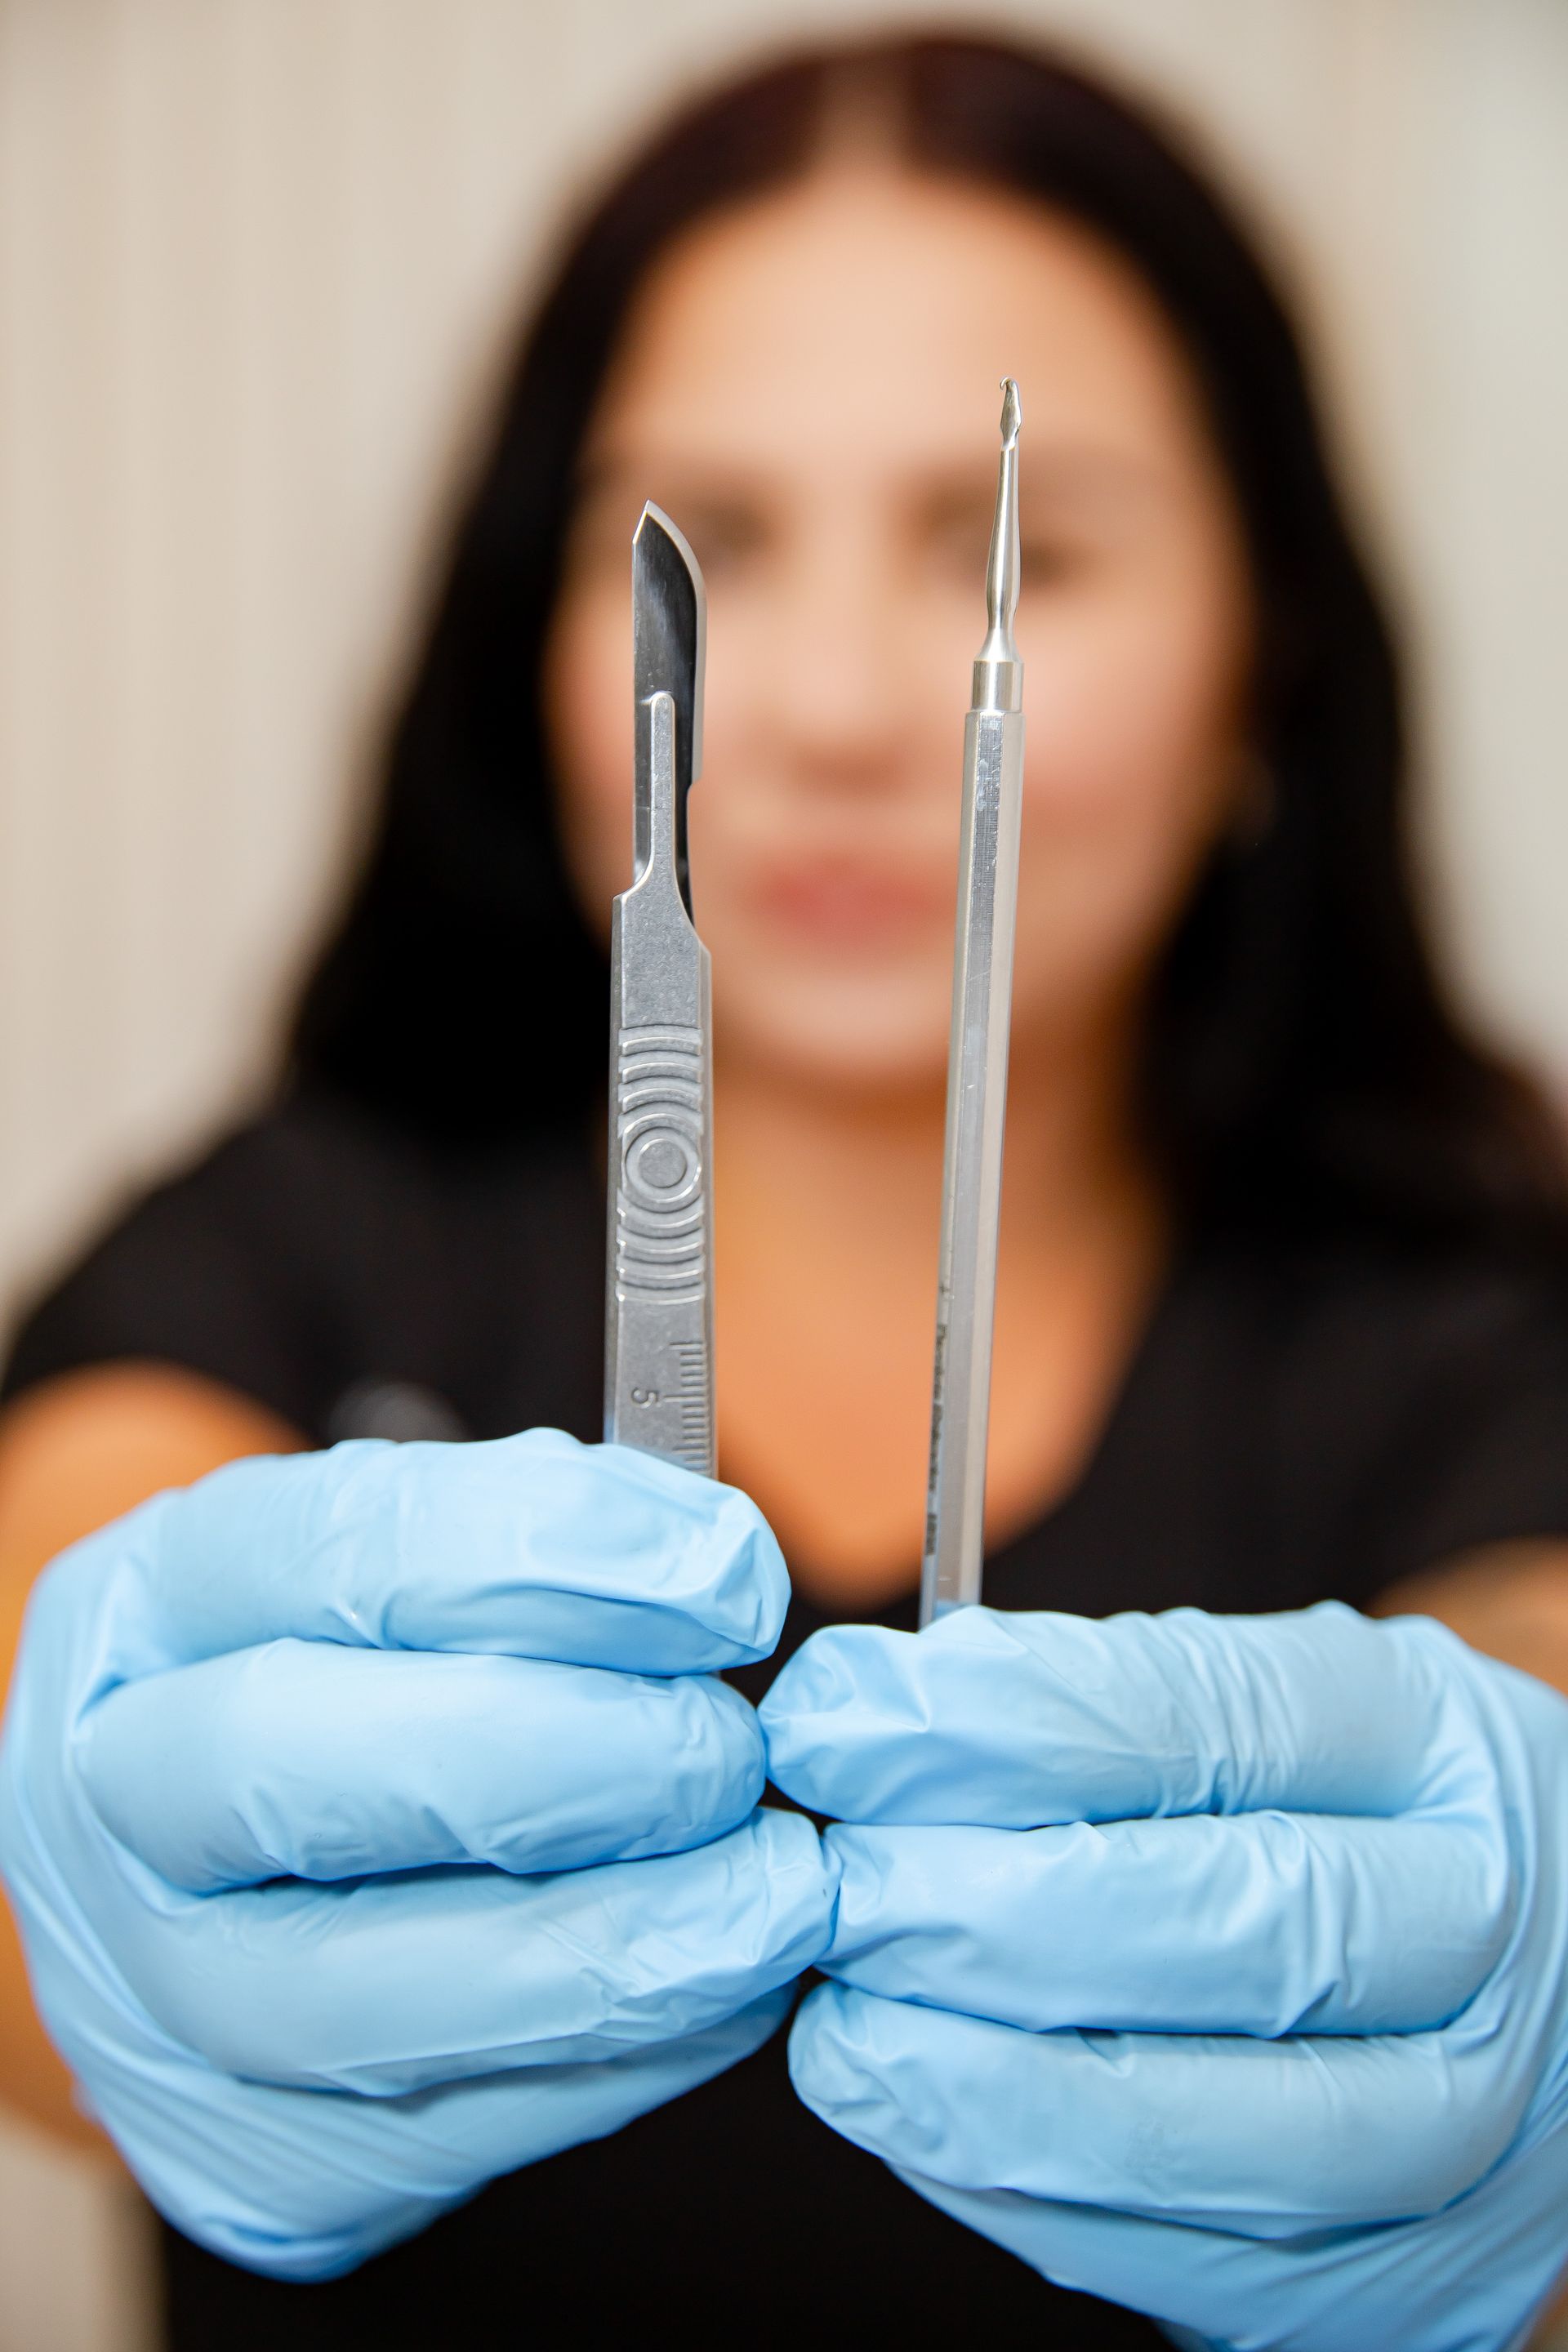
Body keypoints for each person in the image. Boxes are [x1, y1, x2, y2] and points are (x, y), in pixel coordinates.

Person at [4, 30, 1568, 2349]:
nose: (836, 703)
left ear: (1275, 665)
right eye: (708, 539)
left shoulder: (1477, 1331)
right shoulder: (291, 1243)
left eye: (1006, 542)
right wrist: (83, 1886)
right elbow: (60, 1595)